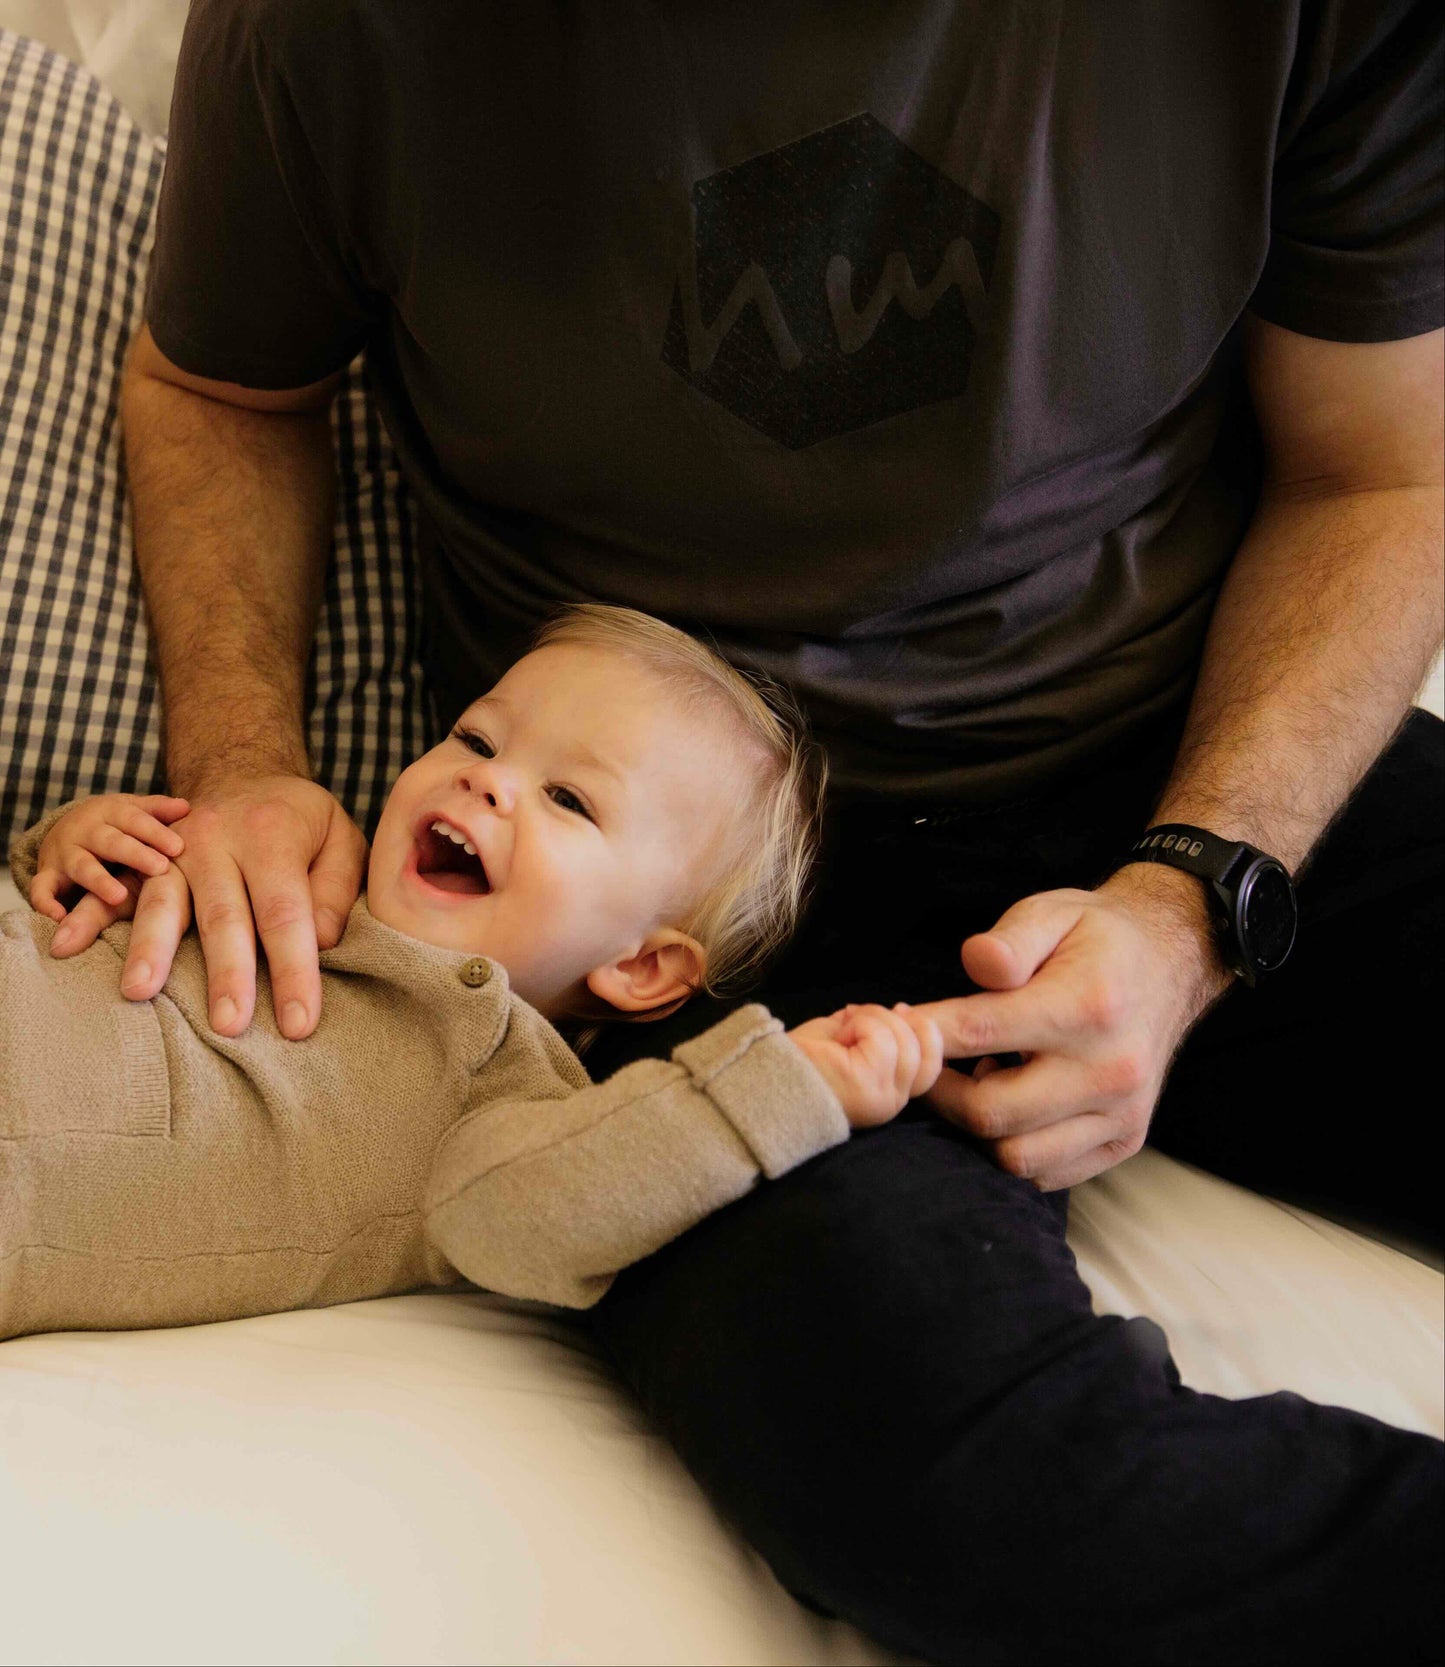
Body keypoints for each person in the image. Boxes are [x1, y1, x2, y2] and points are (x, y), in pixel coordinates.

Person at [113, 0, 1442, 1658]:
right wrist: (242, 760)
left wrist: (1195, 900)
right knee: (961, 1493)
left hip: (1191, 770)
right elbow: (224, 389)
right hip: (666, 906)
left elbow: (1384, 473)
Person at [4, 601, 950, 1337]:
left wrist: (779, 1090)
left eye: (569, 799)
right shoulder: (295, 861)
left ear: (643, 965)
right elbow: (58, 897)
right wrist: (82, 843)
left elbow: (523, 1223)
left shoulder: (504, 1093)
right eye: (478, 738)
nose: (486, 778)